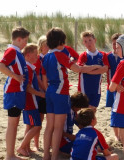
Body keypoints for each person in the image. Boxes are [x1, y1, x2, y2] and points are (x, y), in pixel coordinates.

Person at [42, 27, 101, 160]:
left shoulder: (46, 56)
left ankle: (46, 155)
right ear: (61, 41)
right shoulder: (60, 55)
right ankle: (54, 155)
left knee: (49, 126)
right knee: (57, 128)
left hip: (50, 92)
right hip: (60, 93)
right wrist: (97, 67)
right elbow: (78, 68)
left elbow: (44, 79)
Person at [0, 27, 30, 160]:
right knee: (13, 123)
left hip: (18, 91)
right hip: (14, 91)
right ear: (18, 39)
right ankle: (10, 155)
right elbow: (1, 66)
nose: (26, 44)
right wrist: (15, 77)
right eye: (25, 41)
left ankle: (11, 154)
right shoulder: (12, 50)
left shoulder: (17, 51)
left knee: (15, 123)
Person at [16, 43, 45, 156]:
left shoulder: (30, 67)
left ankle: (26, 147)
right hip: (30, 102)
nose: (37, 56)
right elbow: (28, 88)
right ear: (28, 55)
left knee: (30, 125)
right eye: (35, 54)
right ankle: (22, 147)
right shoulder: (27, 68)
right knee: (37, 125)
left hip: (30, 101)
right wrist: (41, 94)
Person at [77, 31, 108, 111]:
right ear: (83, 43)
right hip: (84, 89)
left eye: (90, 40)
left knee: (92, 111)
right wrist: (96, 67)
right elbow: (81, 68)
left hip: (96, 89)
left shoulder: (102, 55)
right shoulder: (83, 55)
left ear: (95, 40)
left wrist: (89, 70)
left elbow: (105, 69)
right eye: (85, 41)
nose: (88, 43)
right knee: (84, 112)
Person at [59, 92, 89, 156]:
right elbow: (57, 129)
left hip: (69, 138)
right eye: (80, 107)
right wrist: (69, 136)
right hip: (63, 141)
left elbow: (79, 124)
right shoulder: (65, 112)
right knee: (84, 149)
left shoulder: (73, 111)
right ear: (75, 105)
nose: (80, 109)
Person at [33, 35, 49, 151]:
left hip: (48, 91)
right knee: (39, 119)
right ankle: (36, 144)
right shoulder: (39, 58)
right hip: (41, 92)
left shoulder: (49, 57)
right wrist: (44, 88)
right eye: (46, 45)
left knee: (50, 119)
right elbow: (37, 76)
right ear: (41, 46)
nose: (48, 47)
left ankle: (48, 143)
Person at [105, 33, 122, 141]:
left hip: (122, 88)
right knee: (113, 111)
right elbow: (107, 72)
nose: (115, 46)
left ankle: (121, 134)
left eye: (117, 44)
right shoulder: (108, 56)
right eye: (113, 43)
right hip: (111, 87)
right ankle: (116, 135)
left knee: (121, 111)